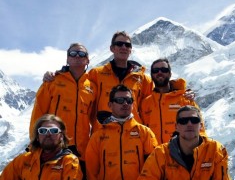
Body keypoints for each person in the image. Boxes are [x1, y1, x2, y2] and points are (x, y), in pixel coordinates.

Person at [43, 31, 194, 124]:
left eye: (127, 45)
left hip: (134, 134)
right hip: (103, 133)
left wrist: (180, 89)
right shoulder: (96, 74)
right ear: (112, 48)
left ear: (130, 50)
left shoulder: (143, 78)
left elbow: (157, 98)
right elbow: (76, 81)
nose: (123, 47)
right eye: (119, 44)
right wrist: (58, 73)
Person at [29, 43, 99, 180]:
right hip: (53, 148)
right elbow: (38, 115)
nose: (77, 57)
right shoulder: (52, 82)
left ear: (88, 60)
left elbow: (94, 120)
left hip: (81, 152)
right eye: (73, 54)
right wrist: (35, 145)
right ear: (67, 59)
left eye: (82, 54)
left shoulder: (92, 87)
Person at [135, 105, 232, 180]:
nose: (189, 124)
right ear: (176, 127)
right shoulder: (161, 153)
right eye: (183, 121)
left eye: (194, 120)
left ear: (201, 126)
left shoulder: (216, 150)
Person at [85, 84, 158, 180]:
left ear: (133, 104)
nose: (125, 104)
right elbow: (91, 171)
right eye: (120, 100)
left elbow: (153, 168)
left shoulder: (145, 133)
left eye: (129, 101)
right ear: (110, 105)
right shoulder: (98, 136)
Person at [0, 114, 82, 180]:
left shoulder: (70, 162)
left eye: (54, 131)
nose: (48, 134)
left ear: (61, 136)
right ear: (37, 137)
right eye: (43, 131)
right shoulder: (24, 160)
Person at [140, 58, 206, 144]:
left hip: (181, 154)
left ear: (170, 74)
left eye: (164, 70)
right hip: (155, 155)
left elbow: (200, 130)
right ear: (151, 75)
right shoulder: (145, 103)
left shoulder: (185, 99)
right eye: (156, 70)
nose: (160, 72)